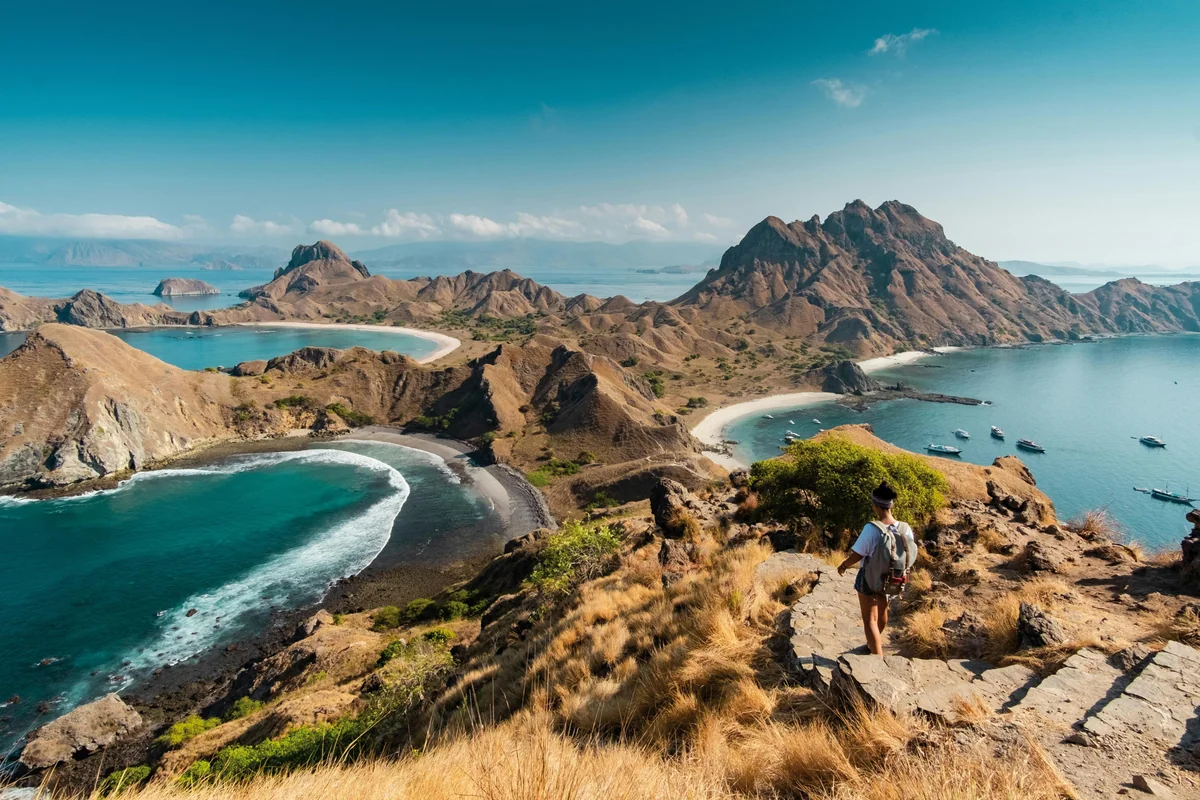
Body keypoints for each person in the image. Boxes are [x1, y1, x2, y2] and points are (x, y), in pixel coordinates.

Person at [836, 482, 912, 656]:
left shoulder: (872, 529)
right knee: (883, 611)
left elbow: (858, 554)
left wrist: (844, 566)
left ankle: (877, 659)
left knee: (870, 618)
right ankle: (873, 644)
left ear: (875, 505)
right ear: (891, 504)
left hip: (870, 578)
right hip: (894, 576)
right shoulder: (905, 529)